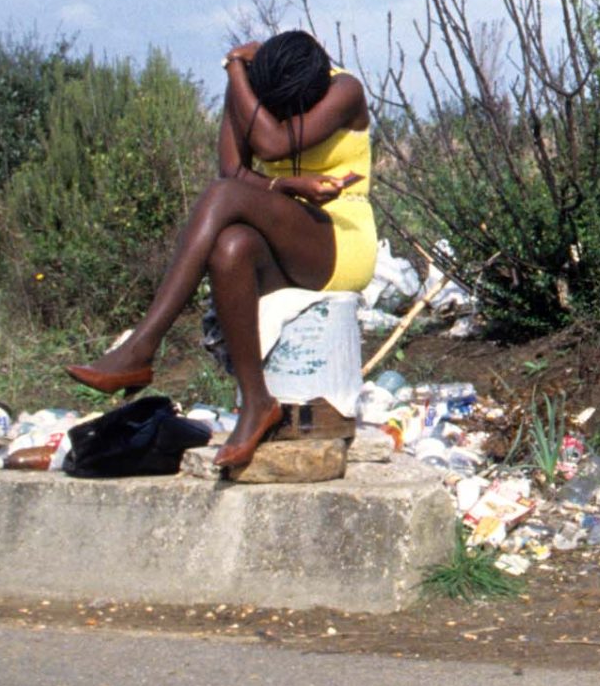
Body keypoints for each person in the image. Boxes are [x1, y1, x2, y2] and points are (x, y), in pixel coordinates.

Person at [67, 32, 378, 472]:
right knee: (231, 248)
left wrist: (233, 68)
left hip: (340, 236)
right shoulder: (250, 88)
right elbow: (233, 170)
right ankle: (257, 402)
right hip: (285, 233)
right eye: (278, 107)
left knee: (221, 196)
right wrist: (286, 184)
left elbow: (271, 147)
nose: (288, 114)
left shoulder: (344, 88)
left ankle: (142, 346)